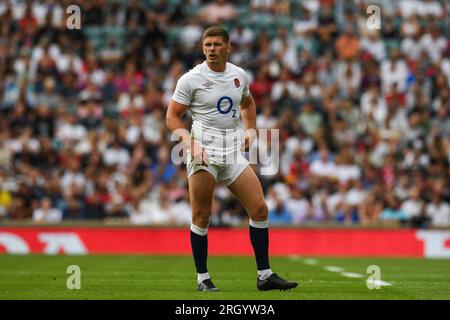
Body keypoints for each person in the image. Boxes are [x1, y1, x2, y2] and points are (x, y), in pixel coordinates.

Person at [166, 26, 298, 292]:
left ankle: (264, 276)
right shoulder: (190, 79)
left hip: (232, 152)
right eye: (207, 45)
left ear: (228, 47)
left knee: (260, 209)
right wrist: (190, 143)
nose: (211, 49)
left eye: (216, 44)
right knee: (202, 216)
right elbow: (172, 117)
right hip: (204, 153)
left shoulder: (239, 75)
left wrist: (250, 130)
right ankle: (203, 279)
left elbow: (248, 104)